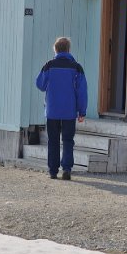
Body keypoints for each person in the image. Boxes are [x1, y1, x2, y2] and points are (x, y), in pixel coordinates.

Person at [35, 37, 87, 180]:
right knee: (68, 140)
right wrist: (82, 111)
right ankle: (67, 169)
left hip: (52, 111)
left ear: (55, 49)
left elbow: (40, 84)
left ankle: (53, 171)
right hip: (70, 112)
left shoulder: (49, 66)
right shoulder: (76, 67)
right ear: (68, 49)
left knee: (53, 140)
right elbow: (82, 92)